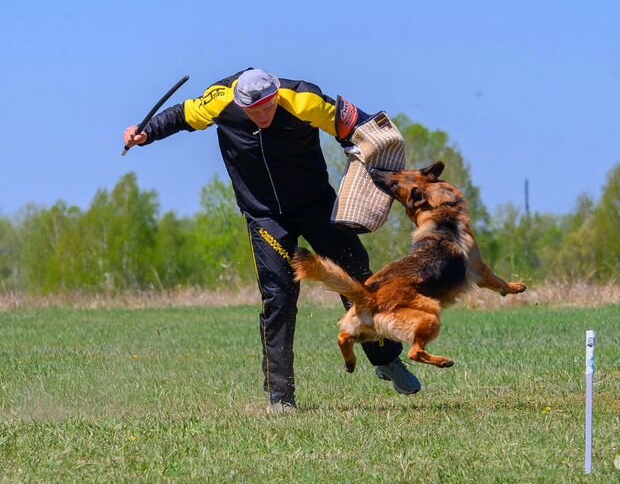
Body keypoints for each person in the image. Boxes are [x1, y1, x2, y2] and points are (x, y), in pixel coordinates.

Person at [123, 68, 421, 412]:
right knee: (278, 295)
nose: (262, 115)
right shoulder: (219, 100)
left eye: (267, 107)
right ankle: (281, 396)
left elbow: (359, 126)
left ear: (275, 96)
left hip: (315, 205)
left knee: (357, 276)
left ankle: (385, 359)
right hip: (264, 216)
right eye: (254, 111)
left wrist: (375, 154)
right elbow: (181, 115)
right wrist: (146, 133)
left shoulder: (304, 99)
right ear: (240, 103)